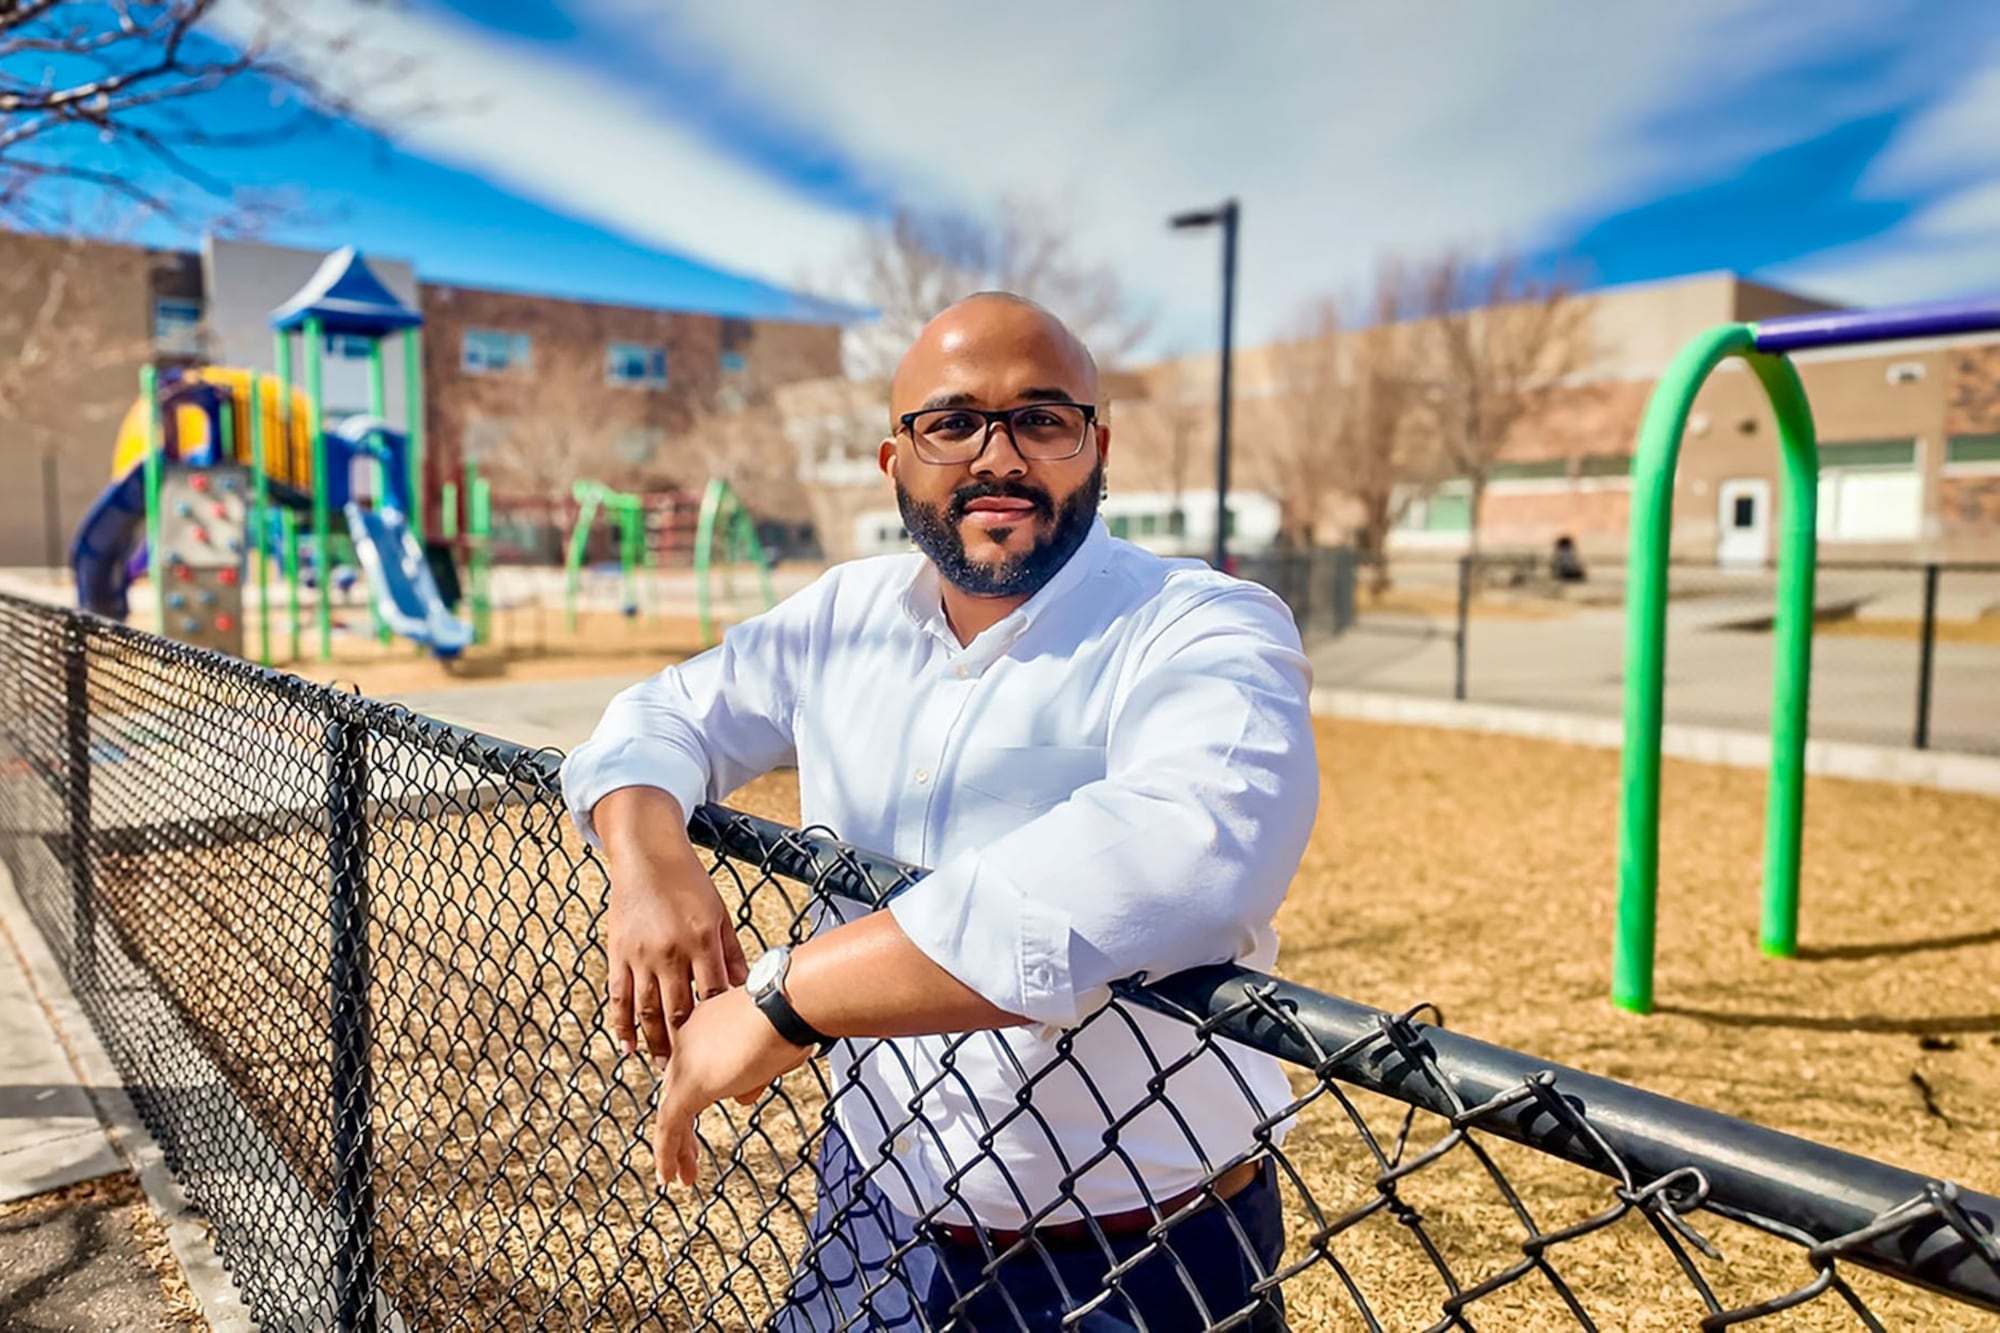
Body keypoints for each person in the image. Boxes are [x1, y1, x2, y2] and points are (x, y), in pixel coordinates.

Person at [560, 292, 1319, 1330]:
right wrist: (650, 865)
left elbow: (1182, 852)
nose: (995, 455)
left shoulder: (1197, 623)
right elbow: (659, 715)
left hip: (1137, 1251)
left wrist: (787, 998)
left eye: (1041, 419)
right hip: (870, 1210)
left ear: (1096, 446)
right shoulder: (843, 617)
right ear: (894, 460)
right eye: (951, 422)